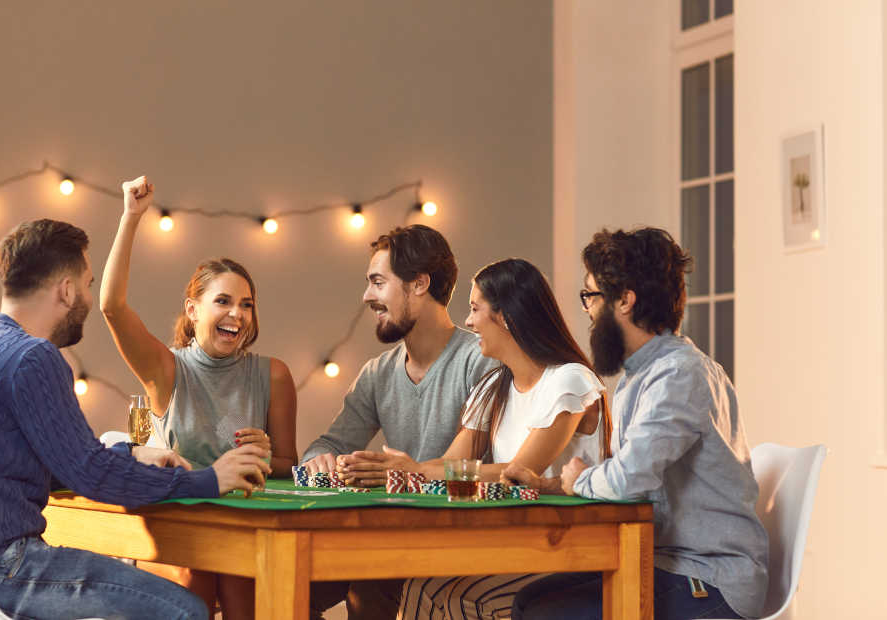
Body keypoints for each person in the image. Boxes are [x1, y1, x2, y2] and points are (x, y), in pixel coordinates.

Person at [0, 219, 270, 620]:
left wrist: (130, 453)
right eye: (87, 284)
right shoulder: (32, 358)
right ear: (67, 290)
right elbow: (91, 474)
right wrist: (209, 480)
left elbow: (60, 463)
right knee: (185, 610)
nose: (87, 296)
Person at [507, 227, 768, 620]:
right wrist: (551, 485)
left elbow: (630, 478)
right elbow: (633, 475)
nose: (588, 311)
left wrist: (578, 480)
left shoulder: (678, 374)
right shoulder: (642, 375)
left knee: (544, 614)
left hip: (708, 578)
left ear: (625, 301)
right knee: (529, 601)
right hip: (665, 562)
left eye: (591, 296)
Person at [100, 176, 297, 619]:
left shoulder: (273, 375)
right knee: (198, 579)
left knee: (246, 584)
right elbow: (111, 306)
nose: (237, 314)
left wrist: (266, 456)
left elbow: (289, 464)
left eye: (246, 304)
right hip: (180, 526)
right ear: (193, 310)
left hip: (243, 527)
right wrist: (131, 217)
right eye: (223, 301)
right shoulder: (167, 370)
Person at [369, 258, 611, 620]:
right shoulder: (494, 386)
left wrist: (415, 470)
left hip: (571, 547)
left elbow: (520, 473)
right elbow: (452, 463)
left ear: (506, 317)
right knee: (421, 584)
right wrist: (395, 467)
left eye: (474, 308)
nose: (467, 321)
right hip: (517, 541)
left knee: (454, 597)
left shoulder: (570, 380)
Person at [302, 224, 495, 619]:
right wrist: (319, 460)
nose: (366, 296)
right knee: (288, 581)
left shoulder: (481, 361)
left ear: (419, 284)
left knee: (369, 587)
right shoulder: (378, 373)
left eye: (378, 282)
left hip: (463, 540)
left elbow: (484, 468)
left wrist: (411, 472)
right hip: (386, 538)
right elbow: (329, 444)